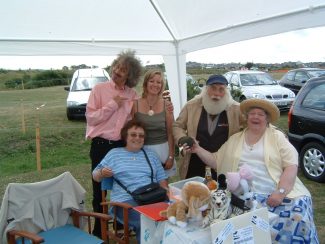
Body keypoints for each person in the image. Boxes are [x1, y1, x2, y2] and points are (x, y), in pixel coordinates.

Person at [187, 98, 319, 243]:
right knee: (243, 224)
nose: (256, 117)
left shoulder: (277, 137)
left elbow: (291, 165)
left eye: (261, 114)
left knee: (298, 215)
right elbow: (216, 161)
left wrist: (280, 192)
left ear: (267, 119)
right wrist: (197, 149)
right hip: (245, 194)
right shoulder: (235, 139)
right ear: (247, 117)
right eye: (252, 114)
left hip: (275, 189)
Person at [85, 50, 142, 237]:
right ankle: (99, 233)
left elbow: (133, 121)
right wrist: (113, 104)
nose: (117, 71)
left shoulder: (132, 94)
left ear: (130, 75)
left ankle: (121, 228)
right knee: (98, 190)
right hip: (100, 145)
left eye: (123, 70)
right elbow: (91, 118)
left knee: (122, 188)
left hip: (120, 147)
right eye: (117, 66)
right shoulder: (99, 89)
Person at [92, 120, 168, 243]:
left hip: (152, 198)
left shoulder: (151, 155)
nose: (137, 138)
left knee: (171, 216)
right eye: (133, 134)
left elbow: (162, 180)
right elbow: (95, 176)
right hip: (125, 202)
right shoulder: (114, 154)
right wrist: (101, 173)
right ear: (125, 136)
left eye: (141, 136)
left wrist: (168, 197)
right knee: (145, 221)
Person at [173, 74, 243, 179]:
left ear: (226, 91)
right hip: (194, 162)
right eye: (213, 88)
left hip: (222, 164)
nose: (216, 94)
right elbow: (177, 126)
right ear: (205, 89)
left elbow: (248, 129)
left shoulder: (236, 109)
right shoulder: (191, 106)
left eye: (221, 89)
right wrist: (182, 139)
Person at [132, 69, 177, 178]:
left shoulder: (167, 105)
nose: (155, 85)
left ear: (162, 86)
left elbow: (171, 133)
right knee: (145, 185)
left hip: (163, 151)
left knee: (163, 187)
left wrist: (171, 156)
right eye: (152, 81)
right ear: (146, 83)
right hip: (142, 152)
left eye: (159, 82)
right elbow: (132, 132)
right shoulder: (135, 104)